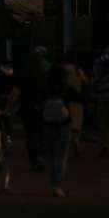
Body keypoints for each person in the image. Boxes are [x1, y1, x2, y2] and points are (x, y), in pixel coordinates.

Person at [43, 65, 72, 197]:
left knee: (50, 156)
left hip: (48, 125)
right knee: (61, 157)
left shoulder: (46, 89)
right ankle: (58, 185)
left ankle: (52, 183)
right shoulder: (66, 89)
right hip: (63, 125)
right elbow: (80, 97)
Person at [18, 53, 49, 171]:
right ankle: (40, 156)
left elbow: (17, 92)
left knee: (30, 135)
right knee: (41, 134)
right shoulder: (43, 77)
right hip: (40, 108)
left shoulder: (24, 76)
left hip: (27, 109)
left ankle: (34, 159)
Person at [92, 48, 109, 159]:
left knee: (103, 124)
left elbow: (94, 79)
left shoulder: (99, 62)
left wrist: (93, 92)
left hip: (103, 96)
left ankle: (104, 146)